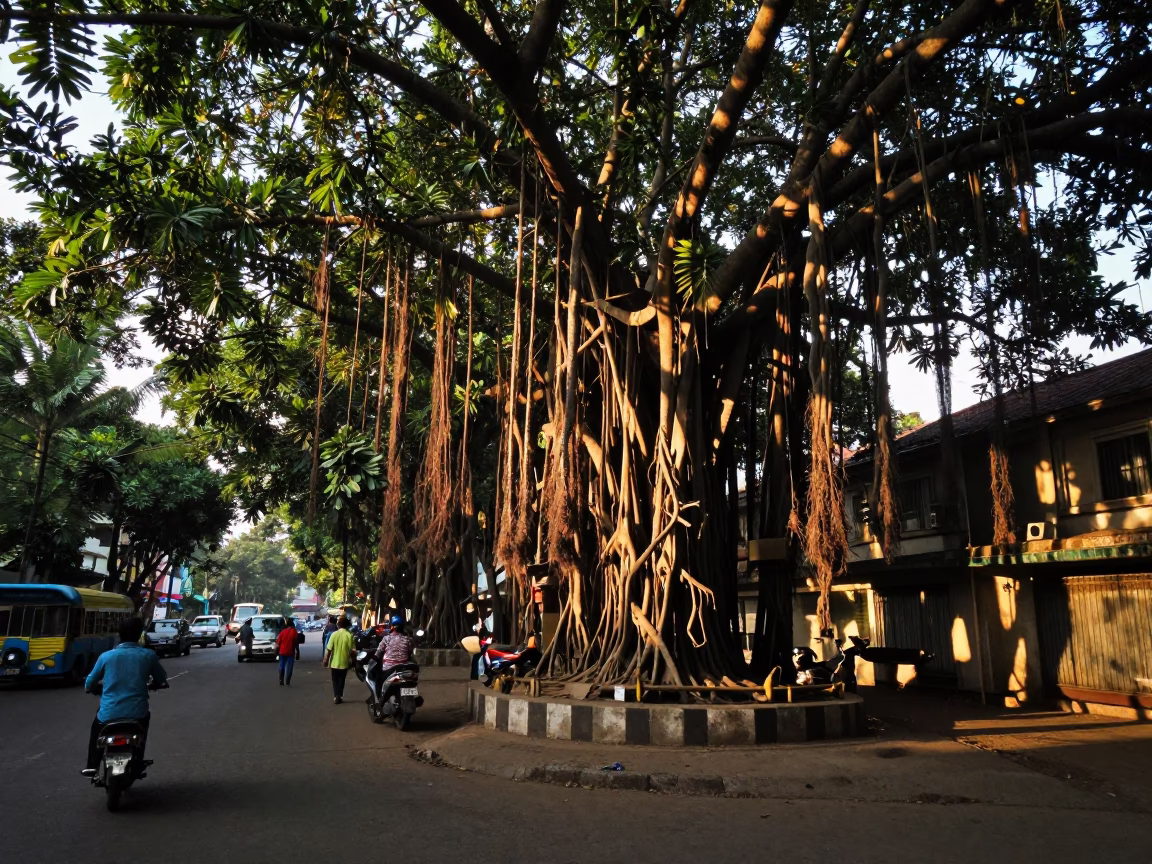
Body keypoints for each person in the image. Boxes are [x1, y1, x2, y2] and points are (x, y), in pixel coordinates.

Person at [82, 616, 168, 775]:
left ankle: (92, 765)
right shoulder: (148, 655)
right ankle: (138, 757)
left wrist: (92, 688)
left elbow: (89, 683)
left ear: (119, 634)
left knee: (96, 729)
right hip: (136, 713)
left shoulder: (106, 656)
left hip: (108, 713)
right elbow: (161, 679)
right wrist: (158, 684)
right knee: (143, 725)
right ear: (139, 634)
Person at [323, 616, 355, 704]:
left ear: (339, 625)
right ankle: (339, 695)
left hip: (334, 662)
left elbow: (329, 649)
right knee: (342, 680)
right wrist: (353, 661)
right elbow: (353, 651)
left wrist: (325, 660)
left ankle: (336, 695)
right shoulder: (349, 635)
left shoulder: (334, 634)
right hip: (344, 662)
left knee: (335, 680)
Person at [276, 618, 302, 685]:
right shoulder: (294, 632)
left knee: (282, 666)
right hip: (291, 652)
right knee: (289, 667)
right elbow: (296, 643)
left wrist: (276, 652)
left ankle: (281, 679)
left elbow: (278, 643)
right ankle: (287, 681)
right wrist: (298, 652)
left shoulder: (282, 632)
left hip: (282, 652)